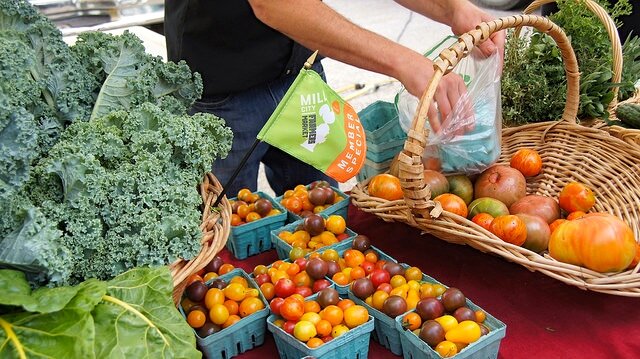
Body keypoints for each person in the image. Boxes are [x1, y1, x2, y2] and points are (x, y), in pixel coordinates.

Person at [164, 0, 505, 197]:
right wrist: (404, 62)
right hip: (220, 92)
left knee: (323, 221)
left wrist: (453, 9)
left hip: (300, 78)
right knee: (224, 247)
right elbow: (273, 5)